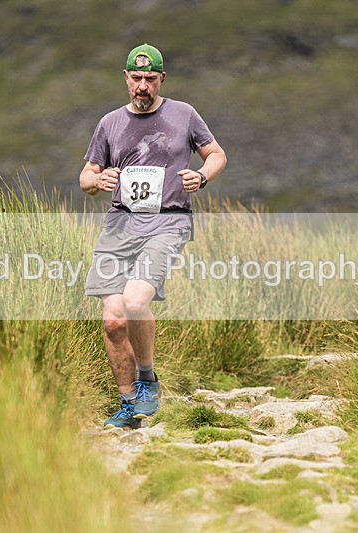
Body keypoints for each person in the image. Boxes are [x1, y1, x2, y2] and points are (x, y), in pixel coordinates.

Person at [79, 43, 227, 429]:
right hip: (120, 224)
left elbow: (216, 154)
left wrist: (202, 176)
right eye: (136, 78)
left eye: (150, 79)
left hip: (167, 221)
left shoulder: (184, 114)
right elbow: (86, 176)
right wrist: (97, 179)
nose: (142, 86)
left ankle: (147, 380)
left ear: (162, 78)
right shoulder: (109, 123)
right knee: (113, 321)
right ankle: (129, 404)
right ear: (125, 78)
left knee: (134, 300)